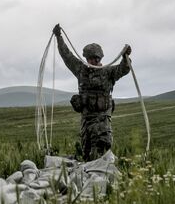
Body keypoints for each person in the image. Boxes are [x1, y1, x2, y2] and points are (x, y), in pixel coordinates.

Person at [52, 24, 132, 161]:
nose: (93, 60)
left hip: (102, 122)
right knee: (87, 155)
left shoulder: (109, 72)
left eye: (96, 58)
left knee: (101, 155)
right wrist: (59, 37)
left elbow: (124, 69)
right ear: (86, 58)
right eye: (90, 58)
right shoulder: (81, 70)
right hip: (86, 122)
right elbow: (67, 55)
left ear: (100, 58)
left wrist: (125, 57)